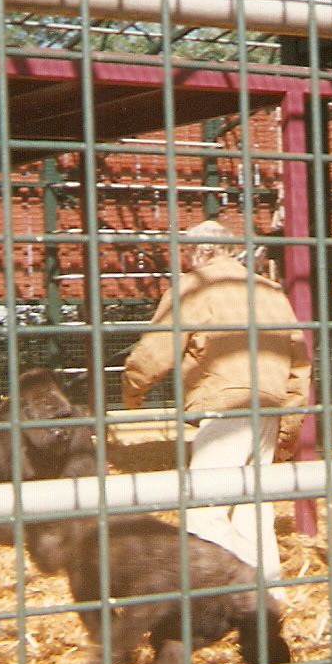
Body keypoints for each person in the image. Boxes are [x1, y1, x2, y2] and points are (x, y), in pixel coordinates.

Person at [121, 220, 312, 586]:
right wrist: (288, 424)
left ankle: (225, 592)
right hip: (268, 409)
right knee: (252, 511)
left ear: (204, 251)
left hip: (225, 405)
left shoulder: (195, 286)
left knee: (203, 509)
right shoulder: (271, 290)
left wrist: (132, 388)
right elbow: (300, 364)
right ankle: (268, 595)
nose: (185, 262)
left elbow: (157, 347)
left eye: (188, 253)